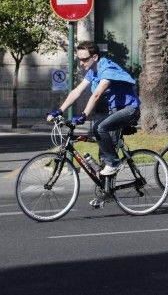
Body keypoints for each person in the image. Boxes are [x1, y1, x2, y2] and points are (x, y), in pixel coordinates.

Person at [47, 41, 140, 206]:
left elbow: (96, 95)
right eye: (79, 60)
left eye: (84, 60)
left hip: (129, 109)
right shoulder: (92, 71)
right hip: (115, 111)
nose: (81, 63)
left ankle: (113, 162)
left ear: (95, 57)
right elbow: (77, 91)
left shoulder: (106, 68)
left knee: (100, 127)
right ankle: (107, 192)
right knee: (101, 146)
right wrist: (59, 110)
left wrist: (84, 115)